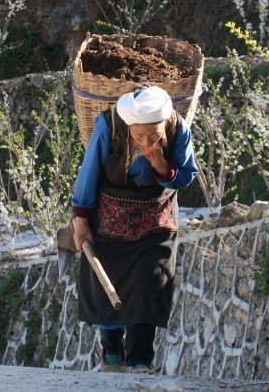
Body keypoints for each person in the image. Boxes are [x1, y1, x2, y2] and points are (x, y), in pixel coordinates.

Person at [71, 85, 198, 374]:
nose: (144, 141)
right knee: (105, 285)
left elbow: (187, 174)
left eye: (153, 136)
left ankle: (141, 359)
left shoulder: (179, 129)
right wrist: (81, 220)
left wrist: (163, 167)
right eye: (137, 135)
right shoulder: (110, 124)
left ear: (164, 125)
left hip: (155, 218)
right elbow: (89, 170)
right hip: (109, 217)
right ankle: (113, 350)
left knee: (150, 283)